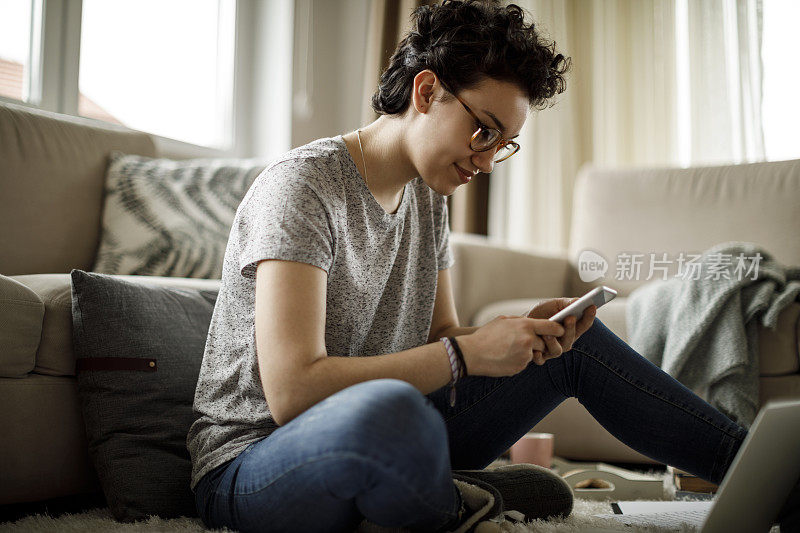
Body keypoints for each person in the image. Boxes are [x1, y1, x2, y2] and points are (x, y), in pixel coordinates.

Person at [186, 1, 749, 531]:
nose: (486, 160)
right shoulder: (302, 188)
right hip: (256, 463)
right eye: (483, 130)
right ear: (426, 91)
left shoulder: (429, 197)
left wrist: (511, 336)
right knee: (388, 412)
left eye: (503, 144)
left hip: (397, 431)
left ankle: (759, 466)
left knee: (574, 344)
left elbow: (443, 337)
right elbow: (293, 393)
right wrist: (463, 353)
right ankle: (453, 498)